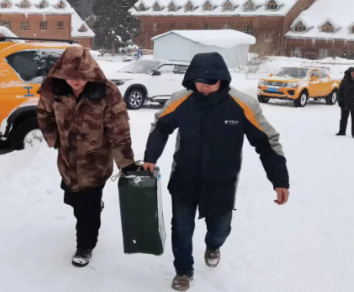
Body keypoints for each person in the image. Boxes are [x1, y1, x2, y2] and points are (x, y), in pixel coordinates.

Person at [141, 52, 290, 291]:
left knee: (220, 229)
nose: (204, 86)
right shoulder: (182, 99)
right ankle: (183, 271)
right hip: (184, 178)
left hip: (222, 182)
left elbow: (267, 142)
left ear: (222, 78)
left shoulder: (242, 104)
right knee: (181, 228)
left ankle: (213, 245)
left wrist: (279, 180)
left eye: (210, 82)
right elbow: (161, 127)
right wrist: (150, 157)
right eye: (199, 82)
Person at [37, 46, 137, 268]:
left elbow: (119, 130)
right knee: (72, 198)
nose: (75, 81)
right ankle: (88, 212)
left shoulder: (107, 92)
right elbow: (43, 114)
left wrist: (126, 163)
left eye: (81, 77)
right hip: (67, 162)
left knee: (87, 210)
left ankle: (85, 246)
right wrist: (54, 138)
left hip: (95, 163)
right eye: (71, 76)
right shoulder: (55, 89)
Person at [336, 67, 354, 137]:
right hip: (345, 103)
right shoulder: (345, 81)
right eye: (352, 73)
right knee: (343, 119)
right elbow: (340, 92)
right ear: (350, 73)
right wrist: (340, 102)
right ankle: (342, 132)